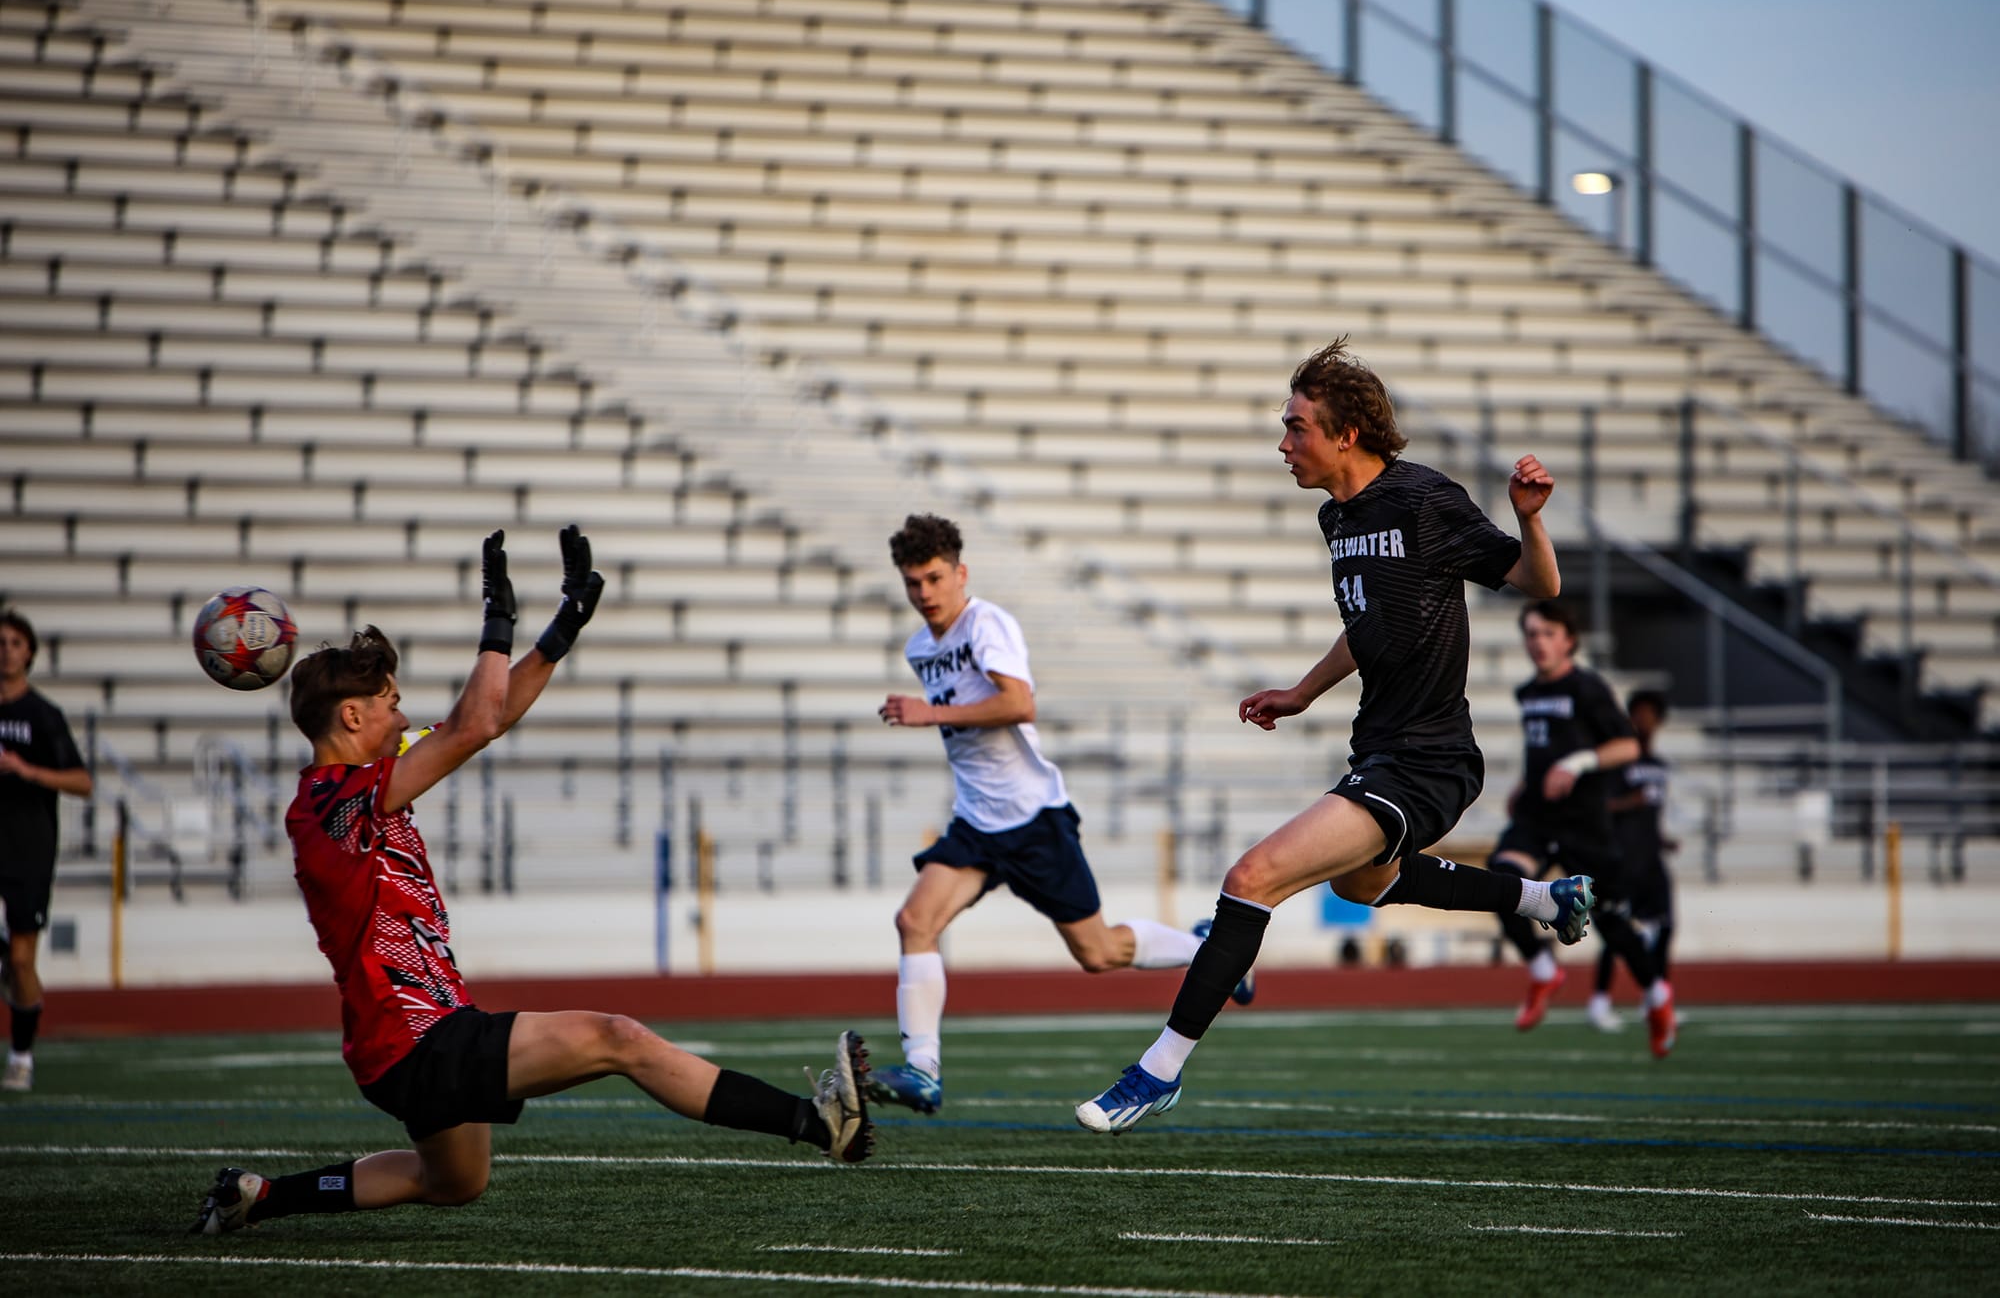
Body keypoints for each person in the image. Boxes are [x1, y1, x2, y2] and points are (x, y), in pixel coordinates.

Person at [191, 526, 872, 1236]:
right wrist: (497, 618)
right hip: (415, 1037)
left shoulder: (359, 784)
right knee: (620, 1038)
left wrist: (560, 628)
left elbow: (488, 715)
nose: (401, 718)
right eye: (390, 703)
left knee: (453, 1180)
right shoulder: (336, 798)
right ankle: (821, 1122)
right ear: (353, 714)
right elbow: (474, 724)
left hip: (412, 1039)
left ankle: (258, 1196)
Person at [1076, 337, 1594, 1133]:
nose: (1283, 444)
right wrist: (1301, 692)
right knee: (1362, 885)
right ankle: (1542, 898)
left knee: (1252, 877)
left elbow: (1539, 583)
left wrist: (1530, 522)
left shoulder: (1425, 500)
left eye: (1295, 427)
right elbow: (1370, 627)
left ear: (1345, 433)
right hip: (1381, 749)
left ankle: (1157, 1070)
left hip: (1430, 759)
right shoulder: (1337, 516)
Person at [867, 513, 1238, 1117]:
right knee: (914, 922)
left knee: (1097, 954)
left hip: (1034, 820)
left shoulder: (986, 623)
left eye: (934, 578)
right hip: (976, 823)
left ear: (960, 573)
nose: (924, 594)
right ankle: (922, 1071)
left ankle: (1207, 952)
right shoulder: (920, 647)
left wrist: (927, 714)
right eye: (913, 583)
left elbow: (1019, 703)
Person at [1484, 602, 1673, 1058]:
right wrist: (1527, 783)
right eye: (1530, 633)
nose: (1538, 642)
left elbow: (1627, 746)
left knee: (1609, 921)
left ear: (1569, 639)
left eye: (1548, 633)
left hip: (1585, 824)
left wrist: (1578, 763)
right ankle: (1543, 967)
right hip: (1536, 817)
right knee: (1499, 881)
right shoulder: (1528, 692)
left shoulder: (1587, 687)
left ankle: (1657, 997)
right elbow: (1544, 749)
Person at [0, 609, 95, 1094]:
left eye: (15, 642)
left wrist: (25, 770)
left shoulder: (42, 715)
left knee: (20, 960)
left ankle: (21, 1056)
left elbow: (82, 782)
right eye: (1, 641)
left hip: (27, 848)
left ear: (30, 653)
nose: (6, 649)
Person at [1590, 689, 1676, 1037]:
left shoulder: (1658, 766)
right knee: (1617, 931)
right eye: (1638, 713)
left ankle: (1654, 1001)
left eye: (1650, 713)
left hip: (1651, 860)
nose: (1643, 720)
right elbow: (1602, 807)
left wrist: (1661, 838)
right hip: (1622, 859)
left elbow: (1651, 815)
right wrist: (1631, 801)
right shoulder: (1618, 762)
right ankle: (1599, 1002)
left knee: (1665, 928)